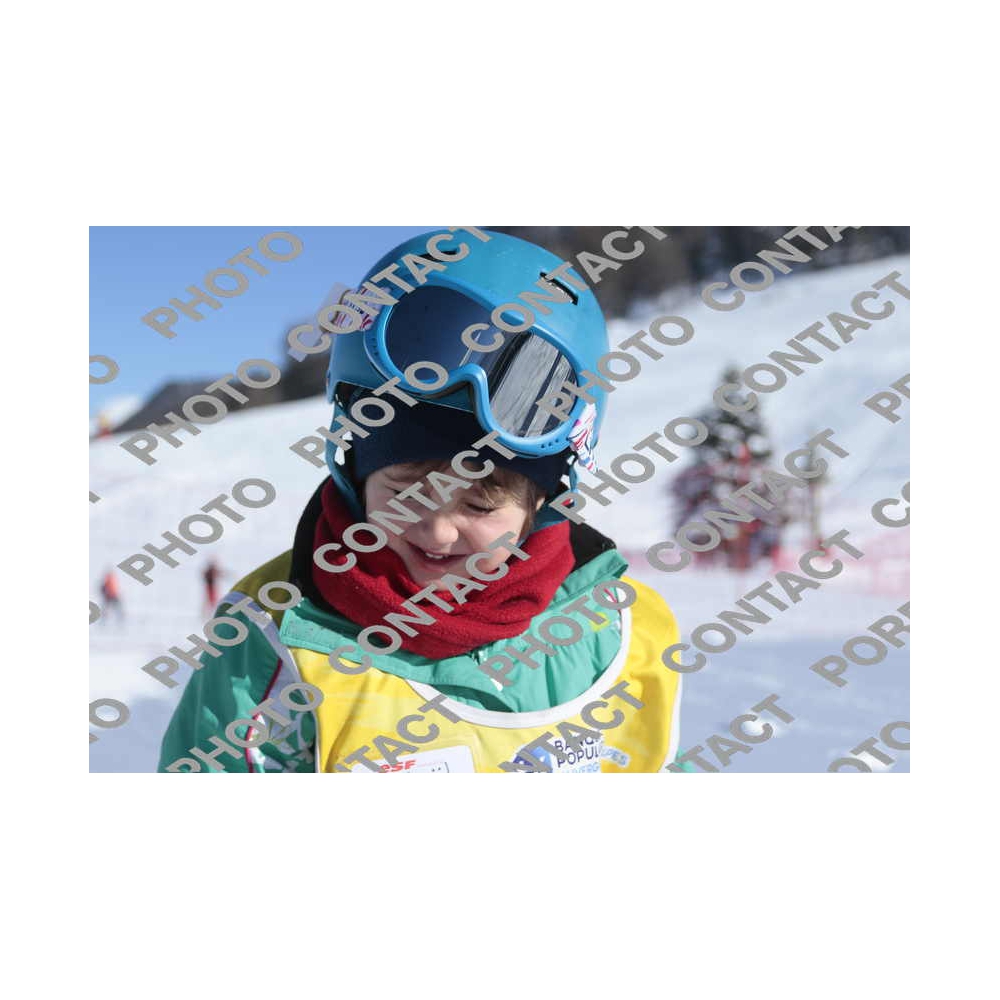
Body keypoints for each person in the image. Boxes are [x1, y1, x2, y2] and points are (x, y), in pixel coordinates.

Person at [158, 230, 684, 773]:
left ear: (544, 502)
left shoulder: (622, 628)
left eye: (480, 507)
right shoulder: (273, 633)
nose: (437, 532)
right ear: (355, 474)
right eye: (404, 495)